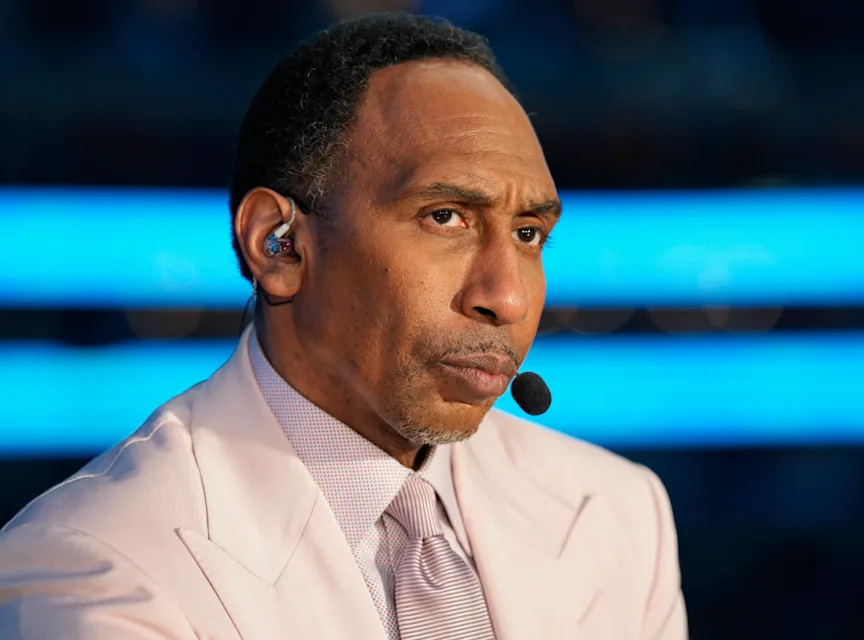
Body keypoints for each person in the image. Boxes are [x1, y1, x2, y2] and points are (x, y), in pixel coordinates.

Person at [0, 13, 686, 640]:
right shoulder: (98, 562)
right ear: (279, 245)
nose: (506, 296)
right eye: (445, 217)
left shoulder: (622, 513)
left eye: (529, 233)